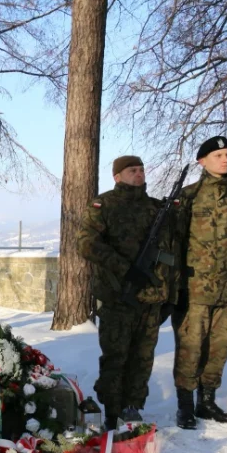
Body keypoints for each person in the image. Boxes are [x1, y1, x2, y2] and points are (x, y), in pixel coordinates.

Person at [76, 156, 177, 430]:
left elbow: (171, 253)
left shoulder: (156, 208)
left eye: (142, 169)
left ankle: (132, 407)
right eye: (132, 170)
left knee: (142, 357)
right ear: (117, 176)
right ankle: (112, 409)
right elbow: (86, 244)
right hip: (117, 295)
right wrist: (124, 268)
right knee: (115, 355)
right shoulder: (104, 204)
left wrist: (170, 295)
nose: (139, 174)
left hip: (151, 298)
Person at [172, 136, 227, 429]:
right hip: (195, 291)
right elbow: (173, 246)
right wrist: (177, 287)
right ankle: (185, 406)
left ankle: (206, 402)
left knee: (220, 348)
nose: (225, 159)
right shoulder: (188, 197)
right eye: (218, 154)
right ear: (202, 161)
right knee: (190, 348)